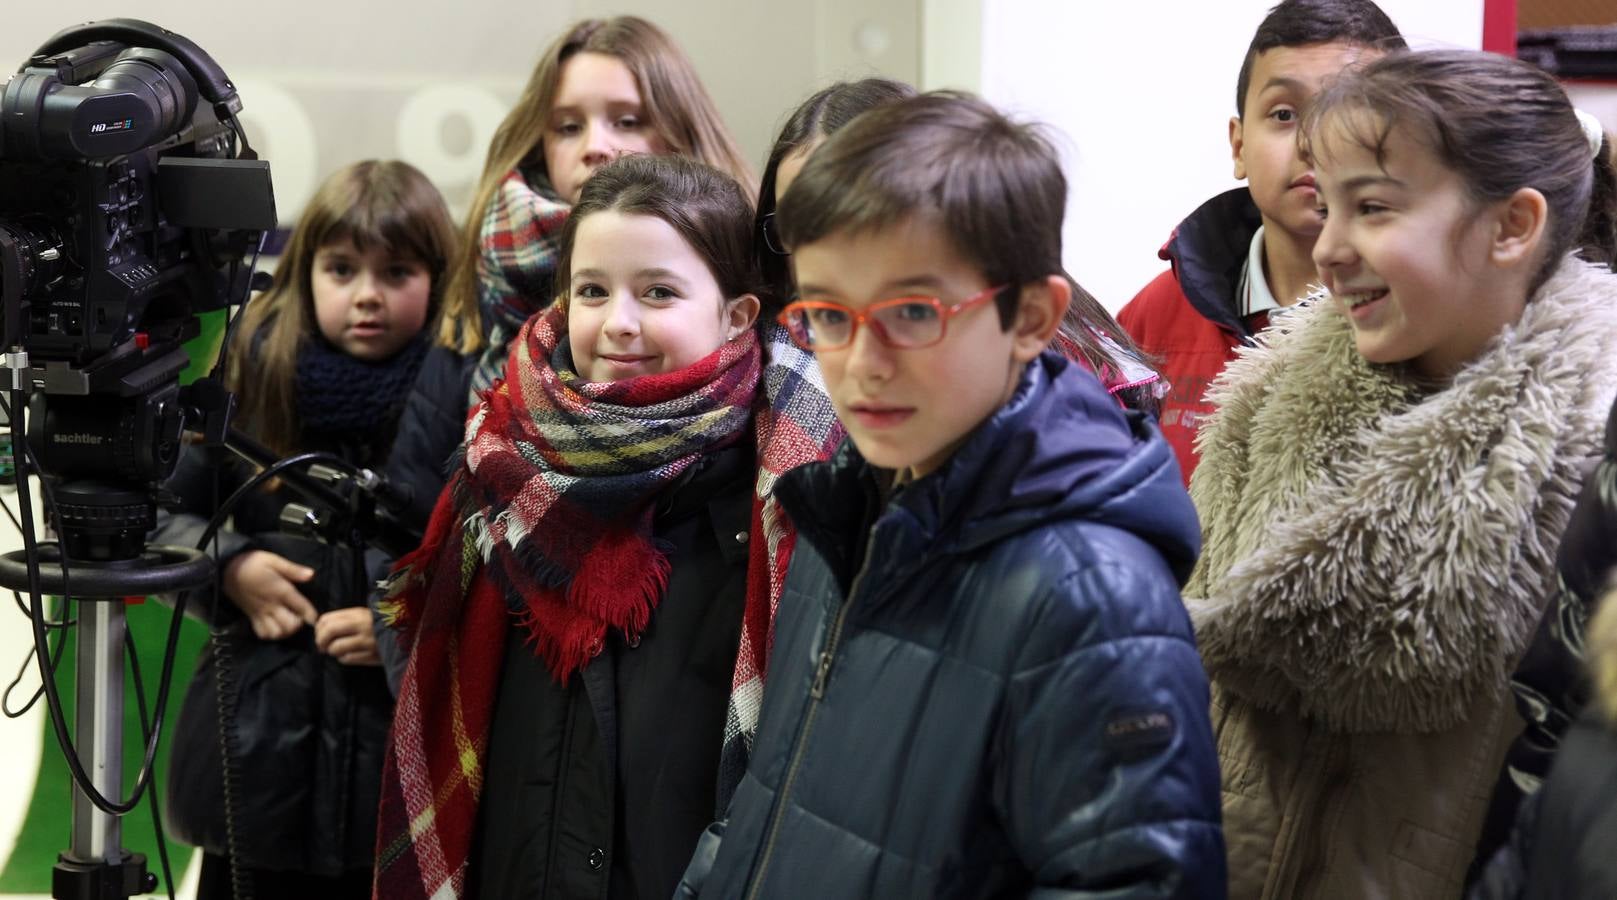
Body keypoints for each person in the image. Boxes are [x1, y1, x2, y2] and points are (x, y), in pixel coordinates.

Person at [677, 91, 1225, 899]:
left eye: (910, 312)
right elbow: (768, 805)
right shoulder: (843, 514)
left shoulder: (1090, 598)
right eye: (828, 313)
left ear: (1032, 315)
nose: (861, 361)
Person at [1184, 50, 1617, 898]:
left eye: (1372, 207)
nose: (1330, 245)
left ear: (1511, 226)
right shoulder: (1263, 405)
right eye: (1327, 203)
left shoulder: (1591, 462)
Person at [372, 154, 840, 900]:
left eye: (658, 292)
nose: (618, 323)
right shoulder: (501, 460)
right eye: (592, 290)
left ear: (736, 315)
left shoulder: (786, 495)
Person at [375, 15, 752, 687]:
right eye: (568, 125)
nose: (597, 147)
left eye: (628, 120)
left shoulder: (747, 314)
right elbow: (406, 528)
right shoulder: (477, 312)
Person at [155, 160, 456, 899]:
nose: (366, 295)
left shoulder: (468, 398)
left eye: (396, 271)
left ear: (440, 279)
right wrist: (230, 568)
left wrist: (401, 623)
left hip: (400, 776)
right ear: (306, 269)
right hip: (255, 770)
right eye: (342, 268)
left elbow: (494, 566)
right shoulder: (247, 378)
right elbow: (157, 518)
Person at [1116, 0, 1404, 482]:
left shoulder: (1428, 320)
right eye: (1285, 114)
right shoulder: (1154, 319)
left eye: (1352, 111)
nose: (1313, 142)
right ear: (1239, 146)